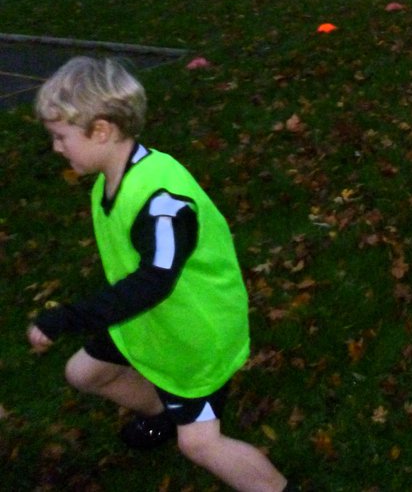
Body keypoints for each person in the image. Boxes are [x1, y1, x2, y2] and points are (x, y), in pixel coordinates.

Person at [27, 56, 288, 492]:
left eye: (60, 137)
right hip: (152, 321)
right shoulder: (109, 180)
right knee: (84, 373)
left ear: (102, 130)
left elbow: (154, 280)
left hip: (194, 334)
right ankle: (164, 413)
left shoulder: (161, 202)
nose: (56, 148)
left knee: (201, 444)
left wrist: (67, 317)